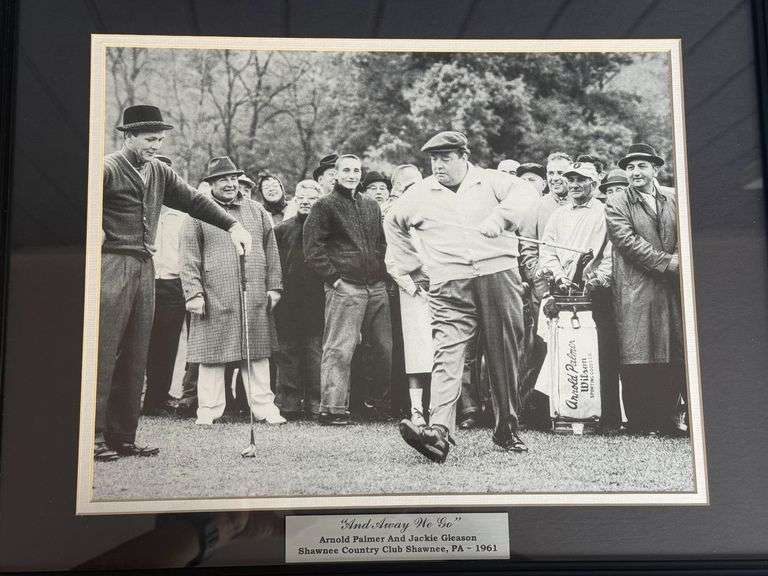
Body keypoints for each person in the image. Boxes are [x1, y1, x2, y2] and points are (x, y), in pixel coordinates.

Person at [96, 105, 252, 462]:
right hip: (111, 264)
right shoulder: (105, 169)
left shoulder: (160, 172)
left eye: (160, 139)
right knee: (104, 354)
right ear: (128, 136)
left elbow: (195, 200)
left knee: (137, 354)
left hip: (144, 267)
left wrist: (233, 226)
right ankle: (93, 437)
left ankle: (123, 436)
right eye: (150, 139)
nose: (156, 145)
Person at [385, 131, 539, 462]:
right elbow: (392, 222)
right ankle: (437, 432)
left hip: (498, 274)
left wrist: (501, 218)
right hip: (448, 281)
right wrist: (413, 267)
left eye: (445, 158)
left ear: (463, 156)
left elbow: (528, 193)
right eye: (433, 159)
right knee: (447, 353)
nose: (438, 165)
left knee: (504, 354)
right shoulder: (420, 193)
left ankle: (506, 429)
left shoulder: (491, 181)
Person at [180, 156, 285, 426]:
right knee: (211, 356)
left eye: (232, 179)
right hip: (215, 296)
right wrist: (193, 293)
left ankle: (265, 408)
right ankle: (209, 411)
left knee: (258, 354)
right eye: (222, 179)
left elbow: (271, 252)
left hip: (254, 295)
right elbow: (189, 256)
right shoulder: (197, 213)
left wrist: (274, 287)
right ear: (210, 183)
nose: (229, 184)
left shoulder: (257, 211)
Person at [303, 154, 393, 426]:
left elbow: (381, 243)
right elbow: (313, 249)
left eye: (356, 170)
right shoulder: (324, 205)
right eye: (346, 170)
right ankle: (331, 409)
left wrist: (380, 273)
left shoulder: (371, 206)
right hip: (346, 287)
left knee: (384, 349)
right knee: (339, 349)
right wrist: (335, 279)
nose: (352, 175)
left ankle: (375, 405)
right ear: (336, 174)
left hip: (375, 287)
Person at [606, 143, 685, 435]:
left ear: (655, 169)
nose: (635, 172)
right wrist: (669, 262)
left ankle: (668, 420)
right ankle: (640, 421)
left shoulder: (673, 197)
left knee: (670, 351)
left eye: (641, 166)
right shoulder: (616, 201)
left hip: (670, 287)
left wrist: (680, 257)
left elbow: (685, 232)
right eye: (629, 167)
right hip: (634, 287)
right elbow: (626, 242)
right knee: (637, 352)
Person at [537, 161, 621, 431]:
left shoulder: (605, 212)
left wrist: (594, 279)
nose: (574, 185)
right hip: (563, 292)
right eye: (570, 180)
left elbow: (610, 255)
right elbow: (547, 251)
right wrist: (559, 276)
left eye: (581, 180)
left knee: (601, 354)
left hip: (596, 292)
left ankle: (606, 417)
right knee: (564, 352)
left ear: (594, 184)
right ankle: (567, 414)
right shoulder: (558, 215)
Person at [273, 180, 325, 419]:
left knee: (315, 353)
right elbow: (274, 265)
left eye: (311, 198)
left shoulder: (327, 230)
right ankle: (289, 404)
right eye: (301, 198)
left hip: (318, 301)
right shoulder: (282, 229)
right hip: (288, 302)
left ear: (319, 201)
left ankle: (316, 402)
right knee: (288, 353)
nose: (305, 201)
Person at [142, 155, 186, 417]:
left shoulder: (182, 214)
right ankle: (130, 397)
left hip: (172, 284)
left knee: (167, 344)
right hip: (142, 281)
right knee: (136, 343)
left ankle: (157, 398)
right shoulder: (138, 205)